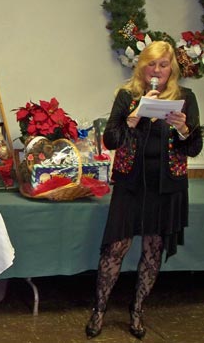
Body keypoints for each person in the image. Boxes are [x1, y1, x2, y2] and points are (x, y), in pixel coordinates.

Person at [85, 41, 203, 339]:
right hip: (130, 183)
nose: (157, 70)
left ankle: (137, 312)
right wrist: (133, 117)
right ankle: (98, 310)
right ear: (142, 67)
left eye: (163, 65)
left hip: (167, 186)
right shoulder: (127, 96)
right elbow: (111, 140)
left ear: (171, 68)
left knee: (153, 251)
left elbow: (195, 147)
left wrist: (183, 128)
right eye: (152, 64)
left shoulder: (185, 98)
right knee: (115, 248)